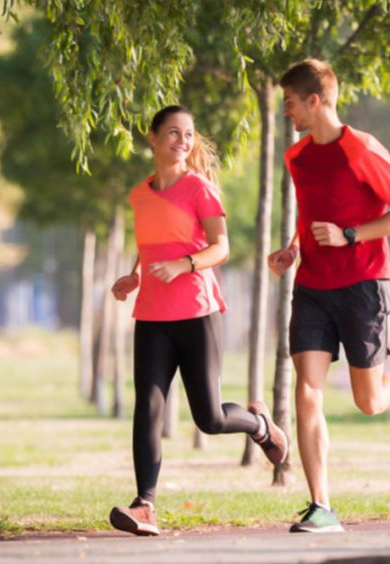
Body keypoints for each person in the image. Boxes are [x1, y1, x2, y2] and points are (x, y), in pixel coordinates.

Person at [268, 59, 390, 534]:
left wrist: (350, 234)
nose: (288, 113)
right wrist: (293, 249)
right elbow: (311, 212)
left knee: (369, 401)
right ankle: (321, 505)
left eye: (291, 103)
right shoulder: (296, 157)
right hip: (312, 287)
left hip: (363, 284)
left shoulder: (360, 149)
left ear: (315, 101)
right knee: (307, 389)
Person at [107, 105, 289, 537]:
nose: (182, 141)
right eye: (172, 133)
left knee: (208, 417)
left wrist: (185, 265)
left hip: (197, 312)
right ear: (152, 138)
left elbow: (220, 247)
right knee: (147, 406)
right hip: (151, 314)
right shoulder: (139, 194)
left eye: (188, 134)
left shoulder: (199, 188)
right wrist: (134, 274)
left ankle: (261, 426)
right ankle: (145, 505)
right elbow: (152, 242)